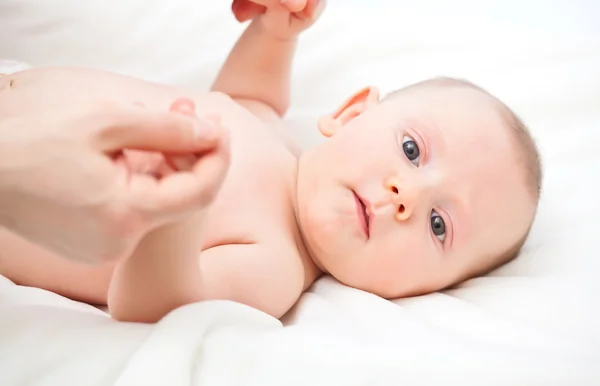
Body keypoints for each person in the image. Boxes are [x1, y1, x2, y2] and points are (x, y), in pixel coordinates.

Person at [0, 0, 542, 323]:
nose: (408, 196)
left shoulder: (276, 264)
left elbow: (152, 306)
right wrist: (276, 31)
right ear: (351, 113)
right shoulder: (272, 132)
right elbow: (246, 96)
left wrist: (174, 212)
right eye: (412, 150)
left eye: (439, 224)